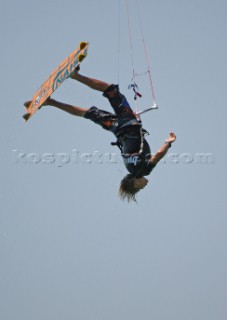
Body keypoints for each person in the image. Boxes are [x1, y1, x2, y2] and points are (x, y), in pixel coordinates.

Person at [33, 69, 176, 202]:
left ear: (134, 183)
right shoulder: (129, 168)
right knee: (88, 113)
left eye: (139, 188)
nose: (143, 187)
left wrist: (168, 142)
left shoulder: (144, 170)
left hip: (129, 124)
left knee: (111, 91)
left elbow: (158, 155)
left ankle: (75, 76)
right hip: (117, 130)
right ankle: (50, 102)